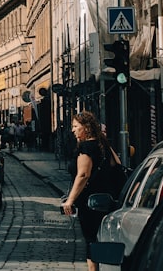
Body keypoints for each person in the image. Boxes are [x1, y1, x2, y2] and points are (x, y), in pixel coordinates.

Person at [62, 111, 120, 271]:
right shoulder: (103, 145)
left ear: (86, 128)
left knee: (91, 240)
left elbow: (83, 175)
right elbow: (117, 164)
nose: (72, 130)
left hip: (90, 203)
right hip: (107, 200)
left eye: (75, 126)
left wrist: (70, 200)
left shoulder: (86, 148)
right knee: (103, 239)